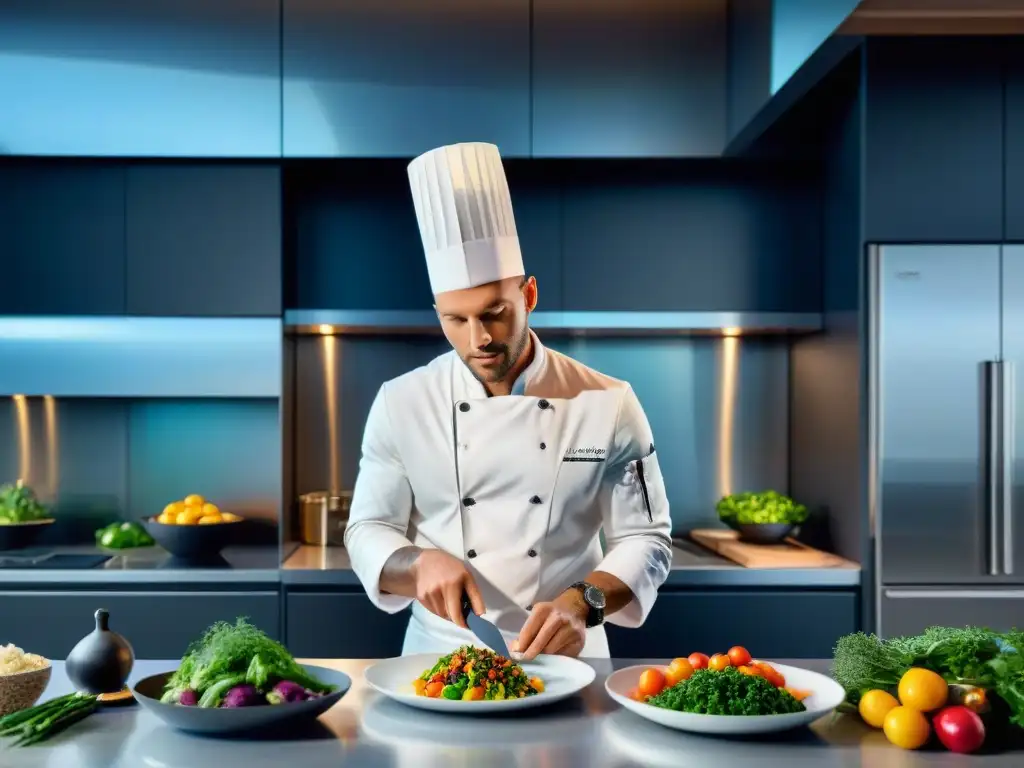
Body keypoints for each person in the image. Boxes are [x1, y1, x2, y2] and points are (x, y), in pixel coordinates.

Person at [345, 142, 673, 660]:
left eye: (495, 312)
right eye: (455, 320)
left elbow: (648, 540)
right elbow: (368, 529)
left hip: (571, 660)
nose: (479, 338)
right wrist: (416, 564)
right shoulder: (400, 403)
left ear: (530, 295)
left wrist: (583, 601)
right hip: (440, 661)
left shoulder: (609, 403)